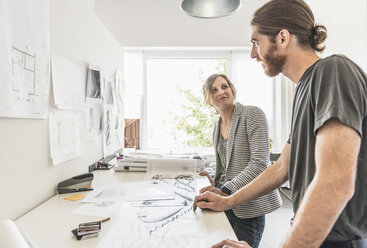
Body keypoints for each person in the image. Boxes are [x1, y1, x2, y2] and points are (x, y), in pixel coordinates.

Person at [193, 0, 367, 248]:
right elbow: (281, 167)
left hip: (338, 239)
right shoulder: (303, 90)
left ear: (282, 38)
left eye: (256, 42)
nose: (253, 53)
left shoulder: (333, 71)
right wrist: (227, 201)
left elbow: (336, 184)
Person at [199, 74, 282, 248]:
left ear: (232, 89)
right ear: (208, 99)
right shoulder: (217, 126)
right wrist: (216, 182)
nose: (221, 92)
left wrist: (224, 189)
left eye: (225, 86)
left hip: (248, 209)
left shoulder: (252, 114)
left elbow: (260, 163)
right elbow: (228, 164)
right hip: (226, 206)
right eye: (214, 90)